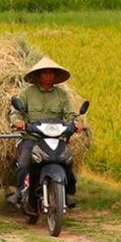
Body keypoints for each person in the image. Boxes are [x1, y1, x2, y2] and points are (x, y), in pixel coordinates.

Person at [9, 56, 84, 209]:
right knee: (24, 163)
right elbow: (15, 113)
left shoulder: (62, 95)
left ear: (55, 76)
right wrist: (18, 121)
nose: (48, 76)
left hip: (55, 137)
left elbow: (70, 114)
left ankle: (68, 192)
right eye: (45, 73)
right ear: (38, 75)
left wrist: (76, 123)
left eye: (51, 73)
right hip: (32, 137)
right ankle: (19, 191)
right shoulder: (27, 93)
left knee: (68, 160)